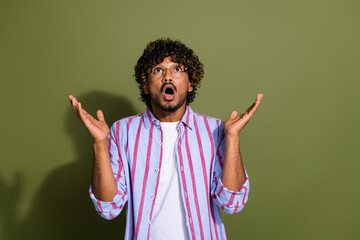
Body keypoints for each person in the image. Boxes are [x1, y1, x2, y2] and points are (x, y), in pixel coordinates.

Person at [69, 38, 263, 240]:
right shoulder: (122, 130)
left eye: (177, 69)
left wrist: (232, 137)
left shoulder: (214, 130)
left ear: (190, 83)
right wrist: (100, 143)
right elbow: (108, 208)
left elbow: (232, 203)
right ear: (145, 85)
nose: (168, 77)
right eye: (158, 70)